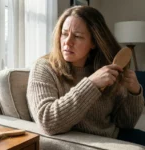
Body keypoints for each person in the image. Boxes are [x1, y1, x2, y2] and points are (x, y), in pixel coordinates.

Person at [26, 6, 145, 146]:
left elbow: (125, 123)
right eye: (64, 34)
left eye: (77, 36)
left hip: (114, 138)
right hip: (89, 144)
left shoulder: (104, 69)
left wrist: (134, 92)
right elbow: (48, 122)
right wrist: (91, 84)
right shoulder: (44, 68)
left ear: (94, 42)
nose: (67, 42)